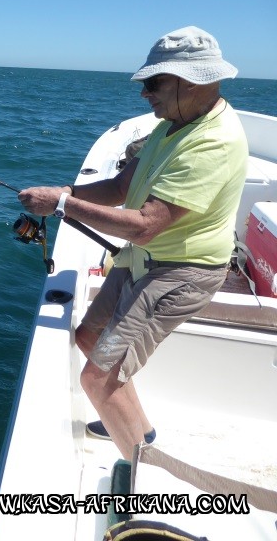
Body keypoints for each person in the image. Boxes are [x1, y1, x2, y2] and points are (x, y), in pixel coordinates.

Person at [18, 26, 248, 461]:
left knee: (97, 379)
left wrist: (62, 205)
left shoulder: (211, 143)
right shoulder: (174, 124)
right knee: (90, 335)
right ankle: (137, 430)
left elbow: (144, 225)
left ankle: (139, 478)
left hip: (182, 271)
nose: (145, 94)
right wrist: (63, 191)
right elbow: (124, 184)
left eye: (154, 83)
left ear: (192, 81)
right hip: (146, 258)